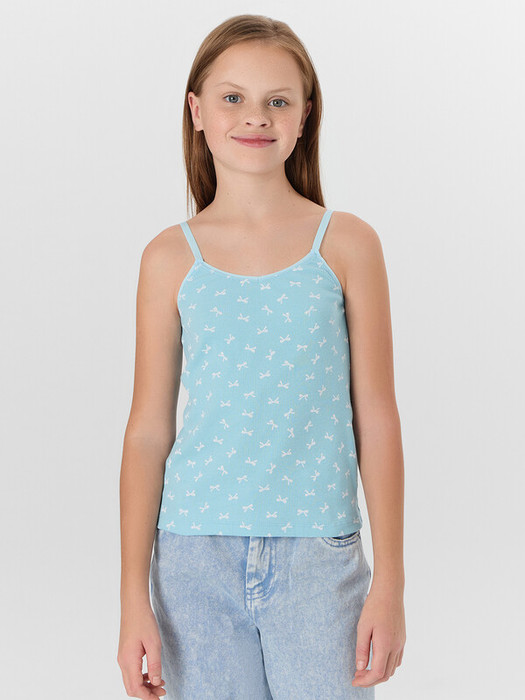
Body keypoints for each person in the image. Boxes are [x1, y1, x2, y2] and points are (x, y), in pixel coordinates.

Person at [117, 14, 406, 700]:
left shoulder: (347, 245)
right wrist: (132, 598)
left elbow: (377, 417)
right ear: (197, 111)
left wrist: (389, 582)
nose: (255, 116)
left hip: (319, 561)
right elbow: (148, 430)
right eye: (233, 97)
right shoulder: (168, 257)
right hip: (191, 561)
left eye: (277, 100)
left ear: (305, 116)